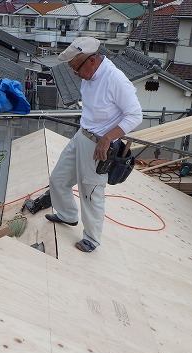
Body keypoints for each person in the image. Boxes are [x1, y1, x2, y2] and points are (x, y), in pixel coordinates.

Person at [46, 37, 143, 252]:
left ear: (90, 60)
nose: (75, 73)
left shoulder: (115, 79)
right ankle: (68, 215)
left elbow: (135, 116)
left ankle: (92, 238)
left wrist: (108, 138)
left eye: (75, 67)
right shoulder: (88, 76)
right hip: (83, 136)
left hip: (100, 146)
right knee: (58, 179)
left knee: (90, 192)